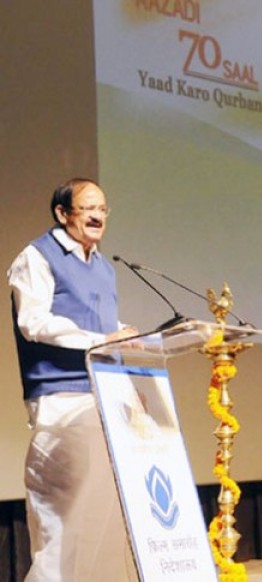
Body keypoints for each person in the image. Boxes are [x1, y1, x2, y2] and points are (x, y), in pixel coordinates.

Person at [8, 178, 139, 581]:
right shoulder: (37, 256)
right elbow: (34, 321)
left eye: (103, 209)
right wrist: (102, 339)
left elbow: (100, 327)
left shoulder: (103, 266)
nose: (98, 216)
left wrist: (125, 341)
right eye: (88, 208)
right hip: (62, 397)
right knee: (62, 516)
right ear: (62, 213)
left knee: (104, 514)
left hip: (105, 395)